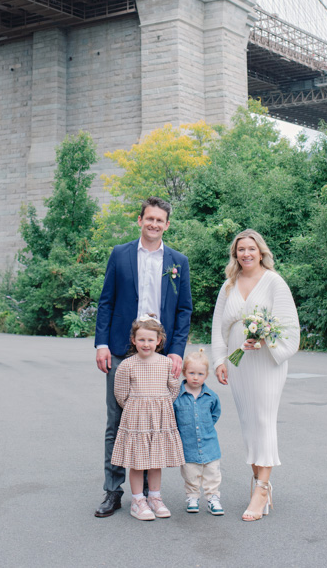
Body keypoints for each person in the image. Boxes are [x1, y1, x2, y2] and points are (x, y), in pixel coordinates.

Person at [94, 196, 193, 518]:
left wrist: (177, 352)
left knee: (157, 422)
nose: (154, 224)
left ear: (167, 224)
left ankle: (151, 493)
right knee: (117, 421)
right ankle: (114, 491)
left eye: (160, 220)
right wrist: (101, 344)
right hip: (122, 351)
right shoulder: (120, 254)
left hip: (162, 354)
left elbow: (184, 310)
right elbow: (107, 301)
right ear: (140, 220)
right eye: (149, 219)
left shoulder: (178, 261)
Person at [211, 229, 300, 521]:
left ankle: (261, 490)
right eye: (240, 250)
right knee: (248, 422)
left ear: (261, 252)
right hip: (239, 365)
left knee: (263, 420)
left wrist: (264, 341)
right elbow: (218, 328)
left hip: (266, 362)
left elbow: (289, 327)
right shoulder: (229, 285)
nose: (246, 254)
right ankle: (261, 483)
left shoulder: (274, 282)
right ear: (235, 254)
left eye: (251, 249)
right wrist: (219, 361)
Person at [111, 315, 184, 520]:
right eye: (141, 339)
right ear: (133, 340)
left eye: (150, 340)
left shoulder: (165, 363)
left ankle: (154, 497)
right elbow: (121, 394)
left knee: (155, 460)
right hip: (136, 419)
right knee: (137, 461)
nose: (146, 344)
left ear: (159, 340)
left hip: (160, 418)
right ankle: (137, 500)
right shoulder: (127, 365)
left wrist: (160, 404)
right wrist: (138, 407)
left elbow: (173, 388)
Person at [173, 348, 224, 516]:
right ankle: (192, 497)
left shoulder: (211, 396)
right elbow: (173, 417)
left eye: (200, 374)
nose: (196, 377)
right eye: (192, 373)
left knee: (212, 473)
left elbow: (215, 413)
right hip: (187, 445)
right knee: (190, 474)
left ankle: (213, 498)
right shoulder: (177, 397)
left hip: (209, 443)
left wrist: (206, 426)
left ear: (206, 375)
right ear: (184, 373)